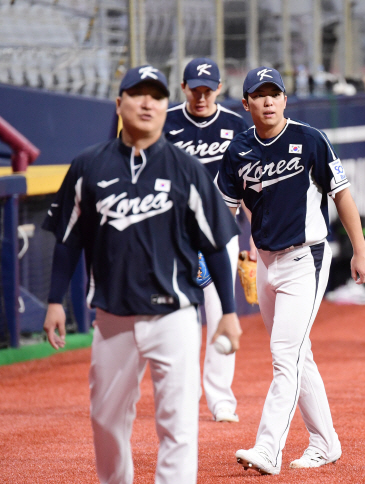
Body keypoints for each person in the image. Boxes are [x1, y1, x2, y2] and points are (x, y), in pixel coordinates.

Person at [42, 65, 242, 484]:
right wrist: (55, 300)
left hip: (175, 316)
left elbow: (216, 245)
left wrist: (228, 311)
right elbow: (66, 239)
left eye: (155, 95)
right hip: (113, 317)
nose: (147, 102)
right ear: (119, 104)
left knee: (179, 425)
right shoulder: (87, 166)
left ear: (164, 107)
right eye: (137, 94)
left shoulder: (186, 169)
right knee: (106, 421)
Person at [217, 67, 365, 475]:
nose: (268, 101)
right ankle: (326, 441)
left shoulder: (310, 139)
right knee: (298, 354)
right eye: (259, 95)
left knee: (284, 354)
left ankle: (268, 449)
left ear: (285, 100)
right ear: (246, 102)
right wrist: (220, 253)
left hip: (307, 258)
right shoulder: (238, 150)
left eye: (275, 94)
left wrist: (360, 250)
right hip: (268, 262)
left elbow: (342, 196)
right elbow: (226, 213)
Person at [164, 57, 250, 423]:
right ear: (183, 87)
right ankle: (183, 393)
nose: (201, 96)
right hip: (173, 233)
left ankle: (220, 397)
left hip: (220, 230)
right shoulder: (165, 122)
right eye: (194, 89)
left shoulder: (234, 124)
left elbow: (248, 182)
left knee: (220, 310)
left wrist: (255, 235)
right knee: (178, 313)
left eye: (207, 89)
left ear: (218, 88)